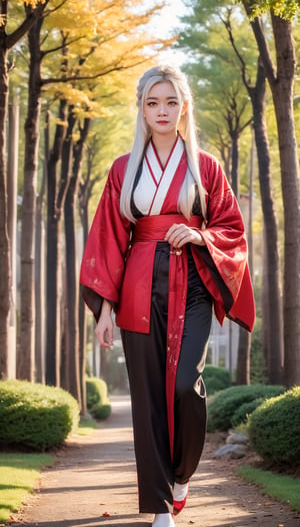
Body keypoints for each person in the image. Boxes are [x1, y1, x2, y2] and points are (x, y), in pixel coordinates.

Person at [80, 65, 255, 527]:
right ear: (141, 108)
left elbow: (231, 228)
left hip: (193, 282)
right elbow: (109, 240)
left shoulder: (207, 166)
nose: (162, 111)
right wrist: (103, 310)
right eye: (153, 102)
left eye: (171, 102)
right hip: (138, 285)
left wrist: (199, 236)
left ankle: (182, 474)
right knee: (148, 396)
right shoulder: (123, 168)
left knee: (183, 387)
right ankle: (160, 506)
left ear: (184, 107)